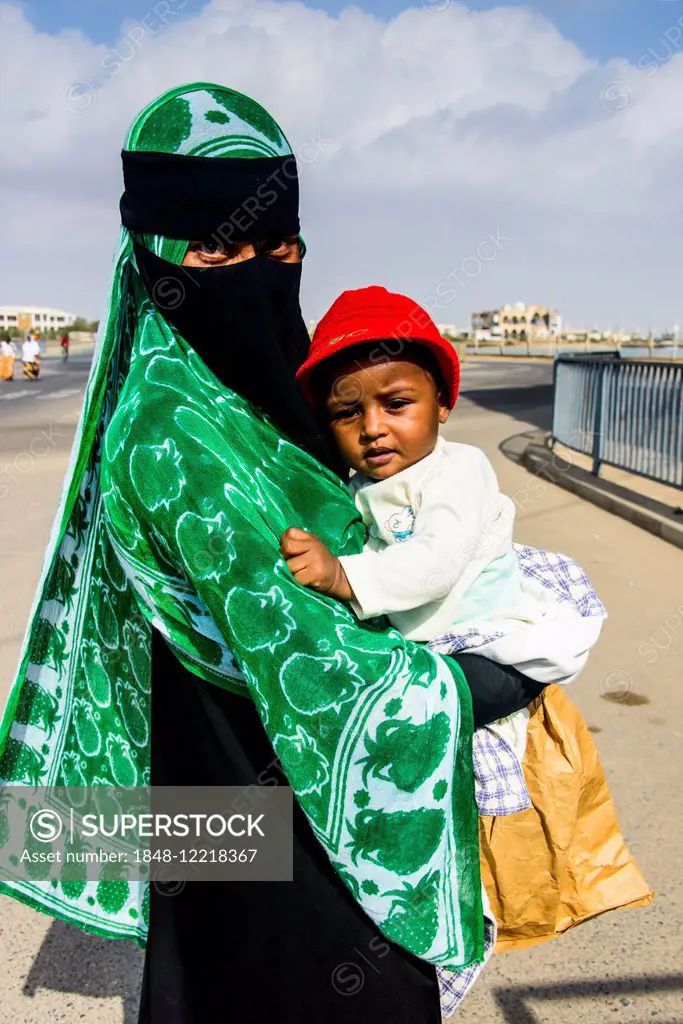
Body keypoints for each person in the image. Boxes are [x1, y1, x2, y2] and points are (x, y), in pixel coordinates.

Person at [0, 84, 650, 1024]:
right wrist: (503, 673)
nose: (257, 272)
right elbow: (317, 665)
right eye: (219, 250)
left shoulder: (289, 387)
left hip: (240, 795)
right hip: (263, 788)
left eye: (280, 248)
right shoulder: (170, 429)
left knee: (217, 981)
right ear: (158, 256)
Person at [283, 286, 605, 760]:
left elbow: (435, 562)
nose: (372, 427)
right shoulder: (359, 487)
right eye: (348, 413)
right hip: (431, 641)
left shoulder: (458, 470)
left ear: (442, 404)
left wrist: (341, 575)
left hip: (486, 643)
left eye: (396, 405)